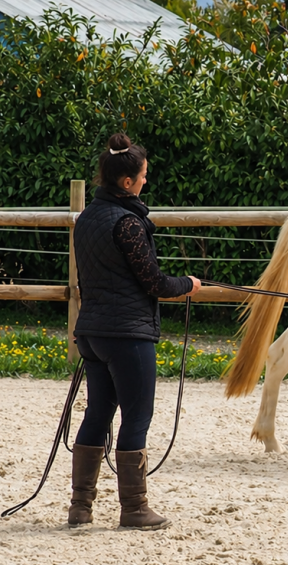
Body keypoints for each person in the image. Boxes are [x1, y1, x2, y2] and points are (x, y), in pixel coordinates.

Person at [68, 132, 200, 530]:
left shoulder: (86, 218)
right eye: (142, 176)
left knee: (97, 413)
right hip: (127, 334)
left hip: (92, 332)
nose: (145, 181)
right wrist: (188, 284)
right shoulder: (127, 223)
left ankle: (80, 507)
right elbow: (154, 282)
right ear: (127, 182)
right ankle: (134, 508)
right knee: (137, 416)